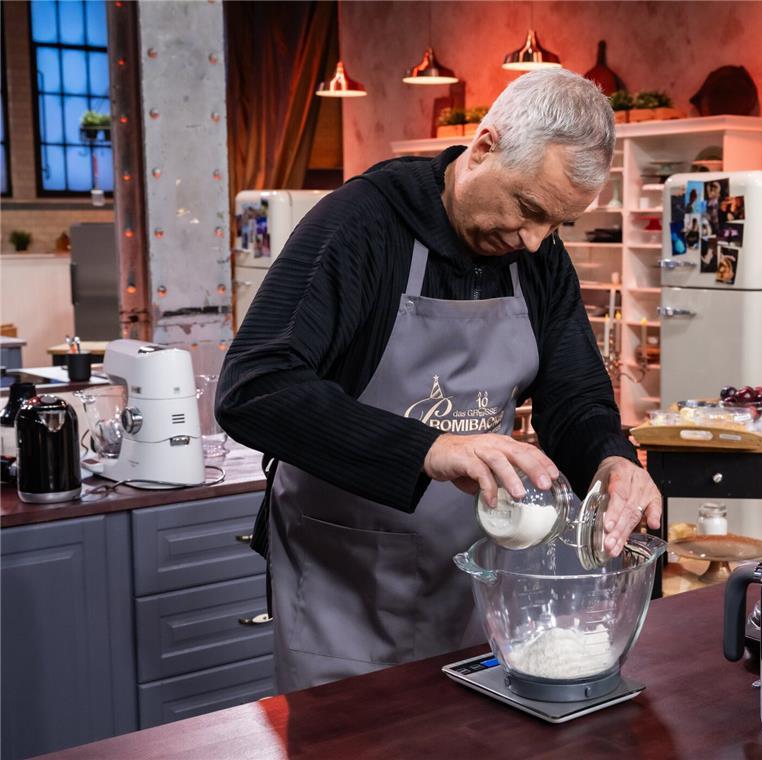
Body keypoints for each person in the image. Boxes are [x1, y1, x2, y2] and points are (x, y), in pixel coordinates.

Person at [216, 68, 663, 692]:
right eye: (529, 209)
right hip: (347, 583)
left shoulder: (536, 259)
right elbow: (254, 387)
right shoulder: (360, 225)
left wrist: (612, 460)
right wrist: (430, 448)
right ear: (484, 148)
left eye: (558, 224)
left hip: (473, 583)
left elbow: (576, 399)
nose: (536, 242)